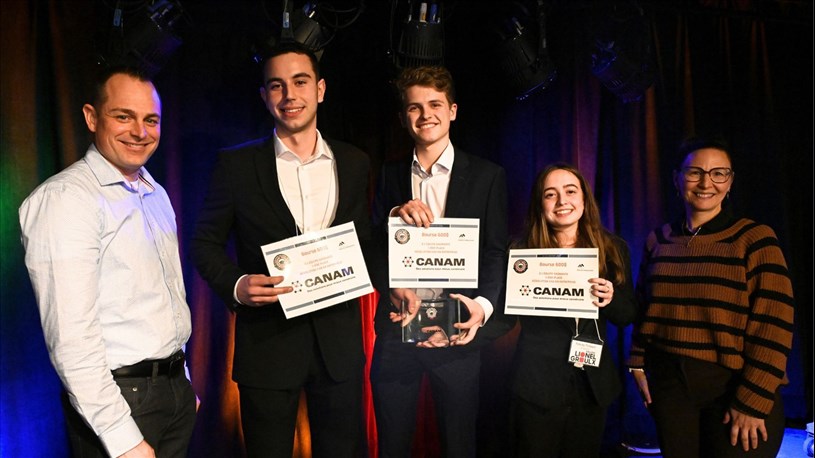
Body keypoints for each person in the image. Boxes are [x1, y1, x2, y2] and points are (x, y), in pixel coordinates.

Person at [190, 41, 371, 457]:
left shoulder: (355, 162)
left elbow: (363, 241)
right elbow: (204, 243)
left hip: (338, 350)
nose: (290, 95)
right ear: (264, 95)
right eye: (277, 85)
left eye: (300, 82)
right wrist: (237, 285)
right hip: (268, 347)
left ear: (320, 89)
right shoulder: (236, 165)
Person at [18, 66, 196, 457]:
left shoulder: (155, 193)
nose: (140, 132)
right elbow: (71, 336)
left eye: (151, 120)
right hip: (120, 402)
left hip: (172, 393)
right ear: (91, 117)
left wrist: (182, 382)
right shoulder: (67, 199)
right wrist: (122, 437)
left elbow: (166, 296)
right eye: (124, 116)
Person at [369, 65, 509, 458]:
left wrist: (482, 307)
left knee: (459, 445)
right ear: (403, 118)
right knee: (392, 446)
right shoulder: (390, 173)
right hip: (398, 328)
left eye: (434, 104)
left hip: (457, 331)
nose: (425, 114)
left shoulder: (487, 176)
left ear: (453, 111)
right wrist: (392, 283)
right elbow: (373, 245)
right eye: (414, 107)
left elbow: (496, 251)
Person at [627, 136, 795, 458]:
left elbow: (773, 326)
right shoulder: (658, 239)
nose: (706, 183)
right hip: (671, 388)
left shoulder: (755, 239)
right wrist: (635, 363)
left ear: (730, 182)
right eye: (695, 172)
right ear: (677, 179)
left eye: (719, 173)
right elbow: (645, 308)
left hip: (733, 388)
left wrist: (753, 399)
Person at [506, 163, 637, 457]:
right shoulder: (519, 252)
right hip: (537, 386)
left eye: (570, 191)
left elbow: (627, 314)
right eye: (550, 194)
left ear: (584, 199)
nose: (562, 201)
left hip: (591, 384)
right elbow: (502, 314)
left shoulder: (613, 248)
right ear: (540, 204)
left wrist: (610, 298)